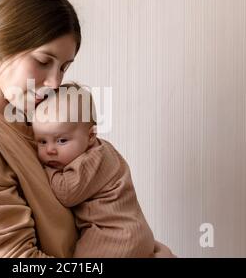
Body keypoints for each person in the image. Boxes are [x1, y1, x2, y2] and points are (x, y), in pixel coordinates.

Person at [0, 0, 175, 258]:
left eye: (64, 67)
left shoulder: (34, 124)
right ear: (2, 47)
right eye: (44, 61)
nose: (55, 82)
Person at [32, 83, 155, 257]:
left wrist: (42, 168)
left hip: (115, 238)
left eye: (61, 141)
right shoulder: (101, 150)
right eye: (42, 141)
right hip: (133, 234)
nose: (50, 150)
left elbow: (66, 192)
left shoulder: (93, 159)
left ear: (90, 136)